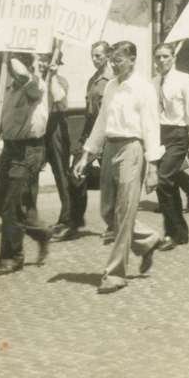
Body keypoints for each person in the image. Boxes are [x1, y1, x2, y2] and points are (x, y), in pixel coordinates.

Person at [74, 41, 163, 294]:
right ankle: (147, 240)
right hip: (110, 148)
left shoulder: (143, 89)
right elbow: (102, 122)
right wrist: (86, 156)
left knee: (124, 213)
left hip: (132, 149)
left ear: (133, 60)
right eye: (112, 60)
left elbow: (151, 127)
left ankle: (115, 274)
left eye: (119, 60)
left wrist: (153, 165)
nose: (113, 64)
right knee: (108, 211)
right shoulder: (111, 86)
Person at [0, 53, 52, 275]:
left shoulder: (35, 84)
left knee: (11, 207)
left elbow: (26, 78)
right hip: (11, 148)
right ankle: (41, 231)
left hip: (29, 150)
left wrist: (11, 53)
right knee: (0, 204)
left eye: (15, 64)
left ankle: (12, 257)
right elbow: (7, 122)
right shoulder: (10, 87)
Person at [152, 43, 189, 249]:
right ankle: (179, 232)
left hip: (178, 134)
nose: (161, 61)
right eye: (158, 57)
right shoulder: (154, 82)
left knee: (164, 179)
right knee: (166, 183)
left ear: (174, 58)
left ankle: (172, 233)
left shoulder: (184, 80)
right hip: (159, 135)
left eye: (165, 56)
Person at [71, 41, 111, 244]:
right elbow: (89, 112)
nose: (94, 59)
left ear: (107, 56)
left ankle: (114, 225)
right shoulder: (92, 80)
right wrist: (83, 138)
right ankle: (75, 220)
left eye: (98, 56)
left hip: (106, 135)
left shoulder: (112, 80)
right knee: (76, 173)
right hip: (89, 133)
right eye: (92, 55)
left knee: (111, 181)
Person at [40, 51, 77, 241]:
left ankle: (68, 219)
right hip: (38, 130)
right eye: (39, 60)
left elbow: (60, 104)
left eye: (45, 60)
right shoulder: (34, 81)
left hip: (55, 129)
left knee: (62, 176)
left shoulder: (60, 81)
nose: (41, 63)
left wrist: (52, 77)